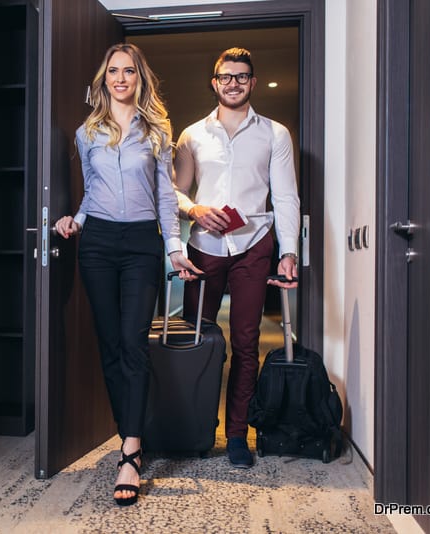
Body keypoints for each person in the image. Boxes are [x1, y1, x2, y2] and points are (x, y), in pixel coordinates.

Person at [54, 43, 200, 506]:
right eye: (113, 71)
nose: (121, 78)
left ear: (140, 78)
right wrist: (74, 220)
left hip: (141, 244)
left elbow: (164, 195)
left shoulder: (157, 130)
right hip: (96, 243)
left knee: (134, 342)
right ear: (104, 79)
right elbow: (91, 192)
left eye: (129, 71)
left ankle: (131, 452)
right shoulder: (86, 132)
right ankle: (128, 432)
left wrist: (173, 248)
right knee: (111, 344)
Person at [173, 47, 300, 469]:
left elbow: (285, 197)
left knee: (246, 344)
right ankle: (194, 427)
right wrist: (193, 209)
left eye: (242, 77)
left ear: (253, 82)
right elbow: (174, 190)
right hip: (204, 248)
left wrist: (288, 252)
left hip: (253, 244)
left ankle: (237, 436)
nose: (233, 83)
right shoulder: (192, 135)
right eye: (226, 77)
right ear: (214, 82)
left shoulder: (275, 134)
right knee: (197, 340)